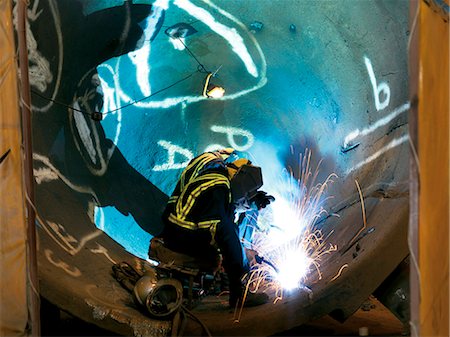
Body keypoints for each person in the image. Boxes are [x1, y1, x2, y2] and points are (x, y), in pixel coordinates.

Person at [150, 148, 274, 307]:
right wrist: (239, 267)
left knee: (231, 237)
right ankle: (238, 295)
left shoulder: (215, 175)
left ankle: (232, 275)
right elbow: (225, 231)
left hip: (176, 229)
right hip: (181, 238)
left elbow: (225, 209)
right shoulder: (219, 187)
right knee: (229, 239)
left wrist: (252, 203)